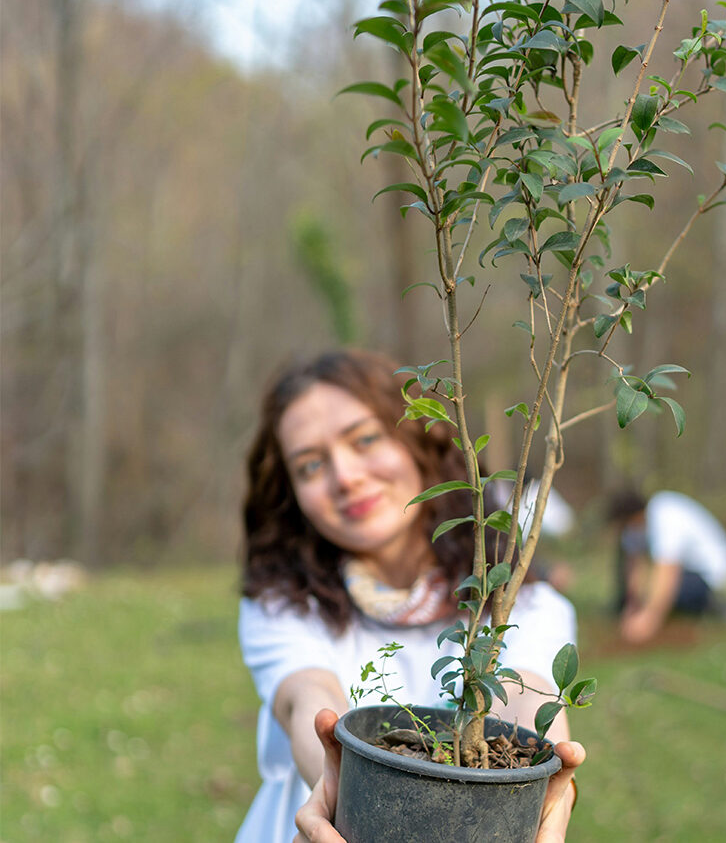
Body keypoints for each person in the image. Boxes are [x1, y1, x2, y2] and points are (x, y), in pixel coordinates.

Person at [235, 349, 585, 843]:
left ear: (422, 436)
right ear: (291, 493)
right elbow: (305, 696)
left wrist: (547, 786)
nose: (346, 477)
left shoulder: (521, 598)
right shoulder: (284, 602)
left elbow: (526, 695)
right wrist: (343, 784)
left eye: (366, 439)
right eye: (311, 466)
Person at [608, 489, 726, 645]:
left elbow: (668, 572)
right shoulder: (635, 527)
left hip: (708, 572)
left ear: (633, 517)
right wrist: (632, 606)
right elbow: (635, 565)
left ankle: (712, 604)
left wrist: (649, 619)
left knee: (673, 592)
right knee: (648, 592)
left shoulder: (665, 516)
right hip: (683, 570)